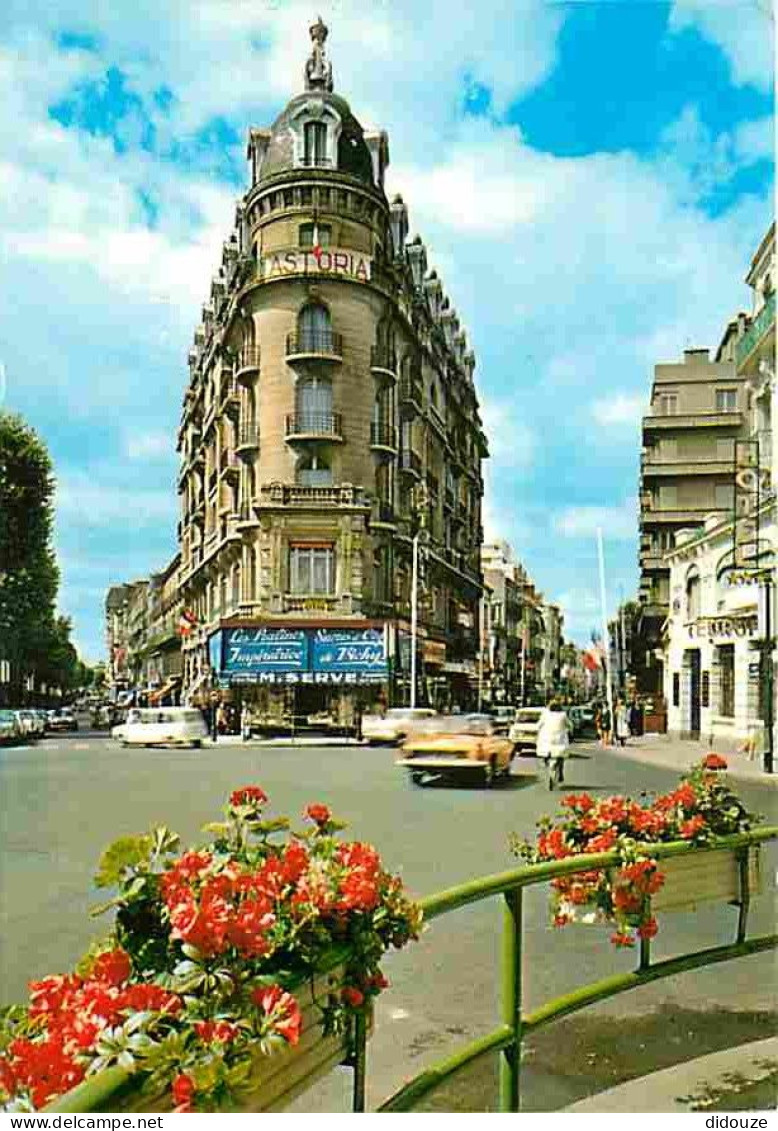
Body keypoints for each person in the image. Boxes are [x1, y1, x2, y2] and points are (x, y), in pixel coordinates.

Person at [536, 700, 571, 790]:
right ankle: (559, 774)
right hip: (560, 743)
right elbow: (570, 725)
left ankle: (548, 767)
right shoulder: (563, 715)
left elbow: (538, 725)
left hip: (546, 742)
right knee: (560, 758)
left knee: (545, 758)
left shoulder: (545, 715)